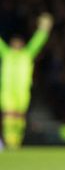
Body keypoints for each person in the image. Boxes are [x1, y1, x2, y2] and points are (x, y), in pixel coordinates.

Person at [1, 13, 53, 150]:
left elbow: (37, 42)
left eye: (19, 43)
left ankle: (16, 141)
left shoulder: (27, 54)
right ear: (11, 44)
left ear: (22, 45)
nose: (17, 45)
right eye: (14, 43)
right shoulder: (6, 54)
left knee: (19, 116)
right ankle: (9, 140)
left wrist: (44, 29)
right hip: (7, 90)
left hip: (22, 91)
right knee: (9, 115)